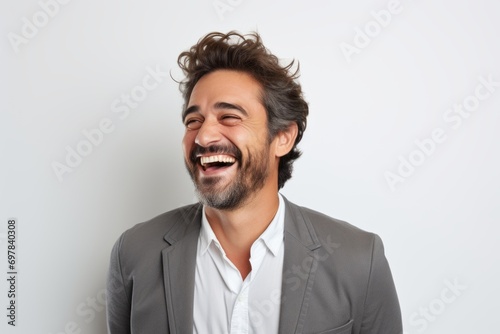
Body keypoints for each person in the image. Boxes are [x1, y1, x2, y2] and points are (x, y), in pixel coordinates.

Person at [106, 31, 402, 334]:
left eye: (229, 117)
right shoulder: (134, 254)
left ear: (282, 137)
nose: (203, 136)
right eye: (193, 121)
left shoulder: (359, 260)